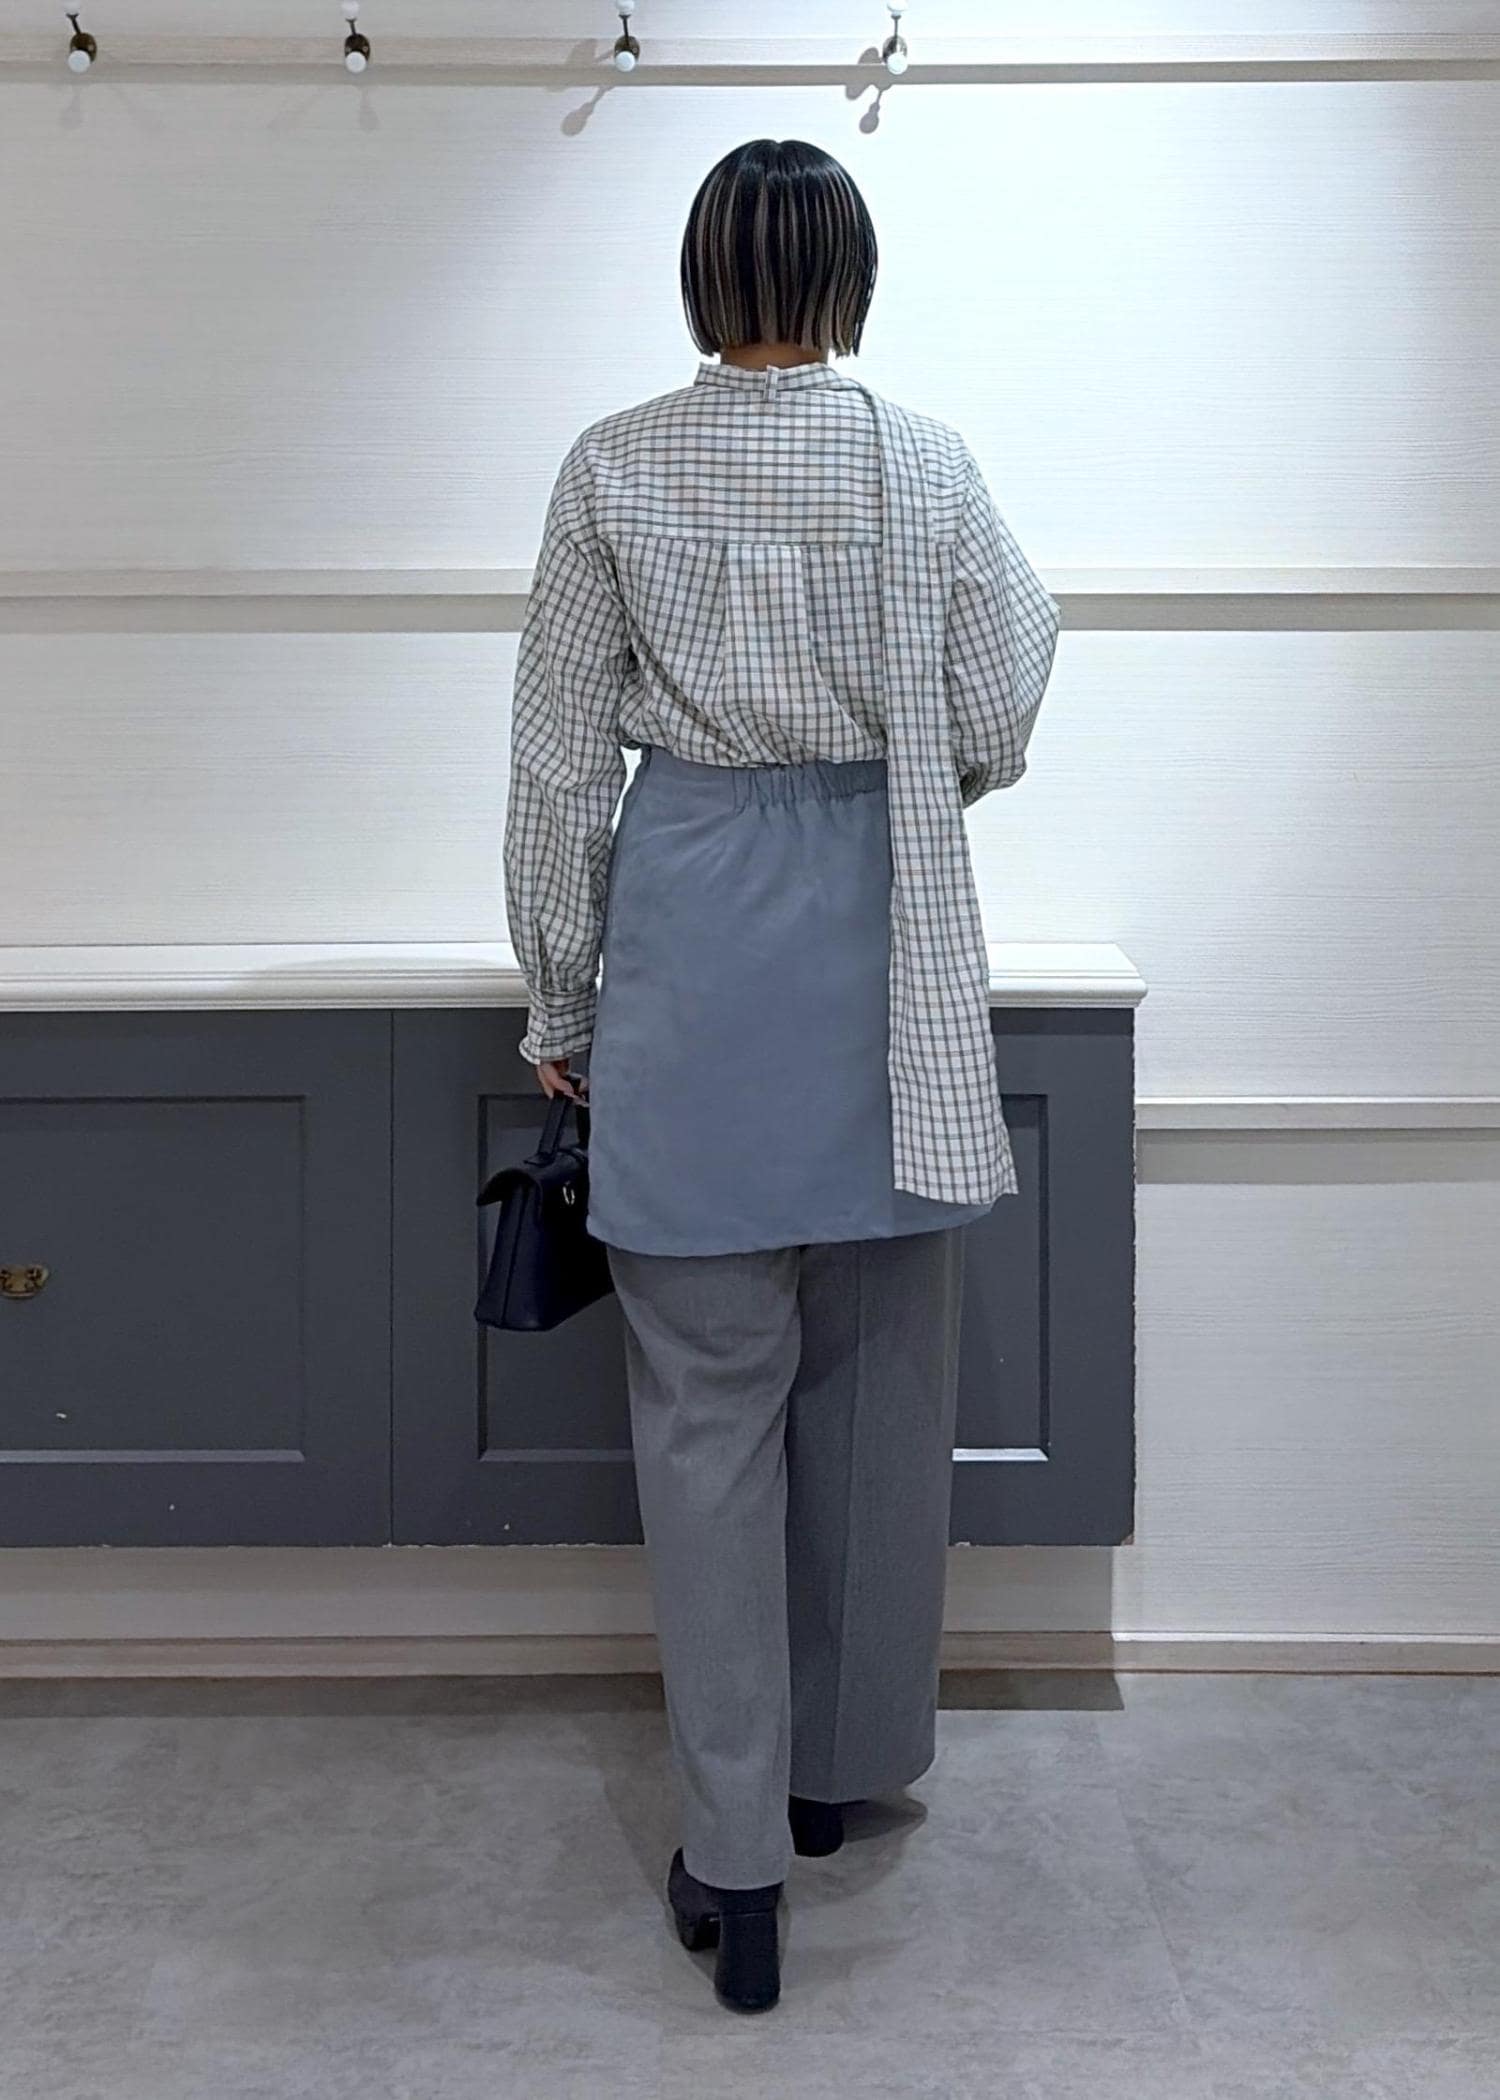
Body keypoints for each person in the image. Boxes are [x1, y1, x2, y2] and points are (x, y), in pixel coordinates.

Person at [503, 137, 1060, 2013]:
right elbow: (1007, 695)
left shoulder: (613, 465)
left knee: (705, 1423)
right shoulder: (927, 464)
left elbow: (557, 765)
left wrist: (562, 997)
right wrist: (905, 777)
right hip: (884, 948)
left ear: (696, 278)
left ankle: (736, 1865)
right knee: (882, 1396)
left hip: (694, 950)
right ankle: (840, 1775)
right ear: (850, 277)